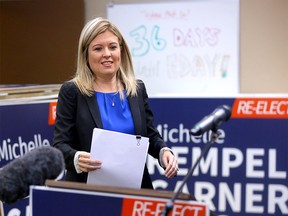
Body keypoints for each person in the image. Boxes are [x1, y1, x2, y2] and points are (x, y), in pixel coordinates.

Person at [53, 17, 178, 189]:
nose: (107, 54)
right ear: (86, 55)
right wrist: (76, 159)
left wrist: (164, 151)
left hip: (135, 191)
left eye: (112, 47)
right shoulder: (72, 92)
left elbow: (150, 135)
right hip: (88, 192)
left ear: (121, 50)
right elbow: (60, 146)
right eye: (98, 48)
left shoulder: (137, 89)